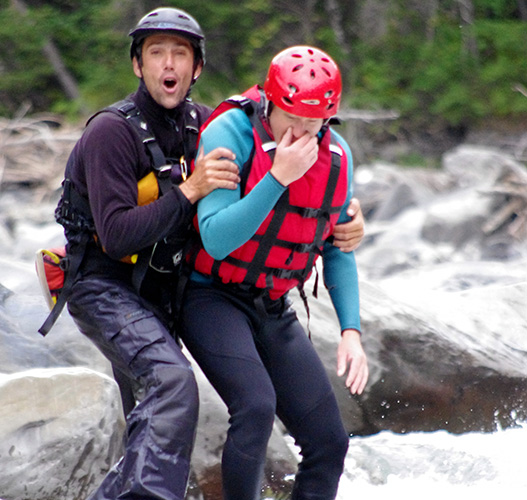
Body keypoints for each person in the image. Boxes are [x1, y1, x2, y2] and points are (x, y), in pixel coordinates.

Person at [49, 7, 242, 500]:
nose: (168, 63)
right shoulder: (111, 132)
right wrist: (188, 191)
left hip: (165, 292)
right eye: (156, 53)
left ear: (196, 68)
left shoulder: (209, 125)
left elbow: (268, 177)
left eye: (180, 53)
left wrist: (340, 218)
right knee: (173, 382)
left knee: (153, 416)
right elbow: (115, 234)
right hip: (101, 286)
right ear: (139, 65)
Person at [179, 46, 369, 500]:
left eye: (314, 123)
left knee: (329, 440)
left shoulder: (337, 156)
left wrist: (351, 330)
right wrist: (278, 177)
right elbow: (217, 239)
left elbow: (338, 247)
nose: (303, 133)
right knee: (256, 407)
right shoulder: (230, 134)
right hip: (209, 296)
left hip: (271, 306)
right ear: (269, 102)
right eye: (292, 119)